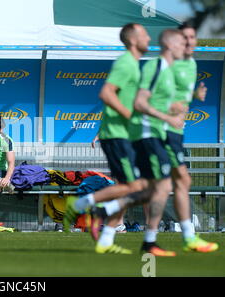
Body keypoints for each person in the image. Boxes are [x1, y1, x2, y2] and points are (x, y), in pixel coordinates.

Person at [89, 29, 188, 257]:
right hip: (127, 139)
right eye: (144, 34)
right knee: (143, 186)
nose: (148, 38)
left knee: (150, 186)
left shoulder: (143, 67)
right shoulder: (133, 65)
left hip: (137, 138)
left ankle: (123, 230)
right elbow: (111, 97)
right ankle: (102, 213)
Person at [64, 23, 152, 254]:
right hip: (116, 137)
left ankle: (106, 238)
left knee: (130, 187)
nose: (150, 37)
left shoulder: (132, 65)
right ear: (133, 40)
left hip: (123, 136)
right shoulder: (126, 63)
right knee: (134, 186)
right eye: (144, 34)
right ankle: (85, 206)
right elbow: (106, 93)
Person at [162, 22, 217, 252]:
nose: (190, 42)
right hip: (161, 131)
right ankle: (188, 235)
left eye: (193, 37)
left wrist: (194, 96)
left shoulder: (191, 64)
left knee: (161, 186)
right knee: (178, 182)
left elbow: (181, 99)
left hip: (175, 131)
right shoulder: (168, 66)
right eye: (185, 38)